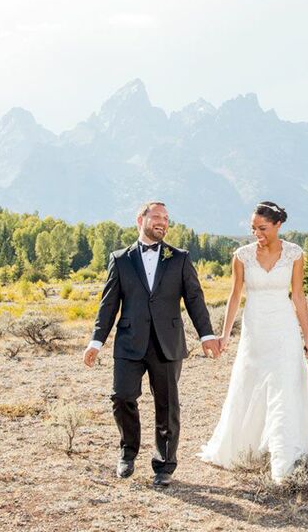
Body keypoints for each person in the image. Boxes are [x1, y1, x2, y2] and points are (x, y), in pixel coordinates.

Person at [83, 202, 221, 487]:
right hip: (129, 343)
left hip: (167, 343)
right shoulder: (120, 259)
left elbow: (194, 298)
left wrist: (206, 335)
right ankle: (128, 451)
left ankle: (164, 465)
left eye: (166, 218)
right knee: (122, 397)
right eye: (157, 217)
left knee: (167, 405)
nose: (162, 222)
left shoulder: (180, 258)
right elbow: (108, 304)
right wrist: (96, 340)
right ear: (140, 219)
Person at [198, 201, 308, 483]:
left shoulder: (295, 254)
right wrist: (225, 334)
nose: (257, 233)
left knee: (283, 388)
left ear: (278, 225)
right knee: (250, 384)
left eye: (262, 228)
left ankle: (282, 456)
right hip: (255, 330)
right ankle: (246, 445)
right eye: (253, 228)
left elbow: (298, 296)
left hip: (284, 329)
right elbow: (235, 295)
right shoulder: (242, 256)